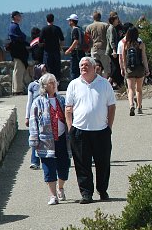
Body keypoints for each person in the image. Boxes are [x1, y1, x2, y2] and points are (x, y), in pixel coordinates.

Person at [65, 57, 116, 204]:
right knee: (82, 164)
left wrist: (109, 127)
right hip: (79, 131)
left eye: (87, 65)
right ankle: (86, 193)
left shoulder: (104, 84)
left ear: (95, 68)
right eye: (81, 65)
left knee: (103, 163)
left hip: (101, 131)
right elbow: (68, 108)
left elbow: (111, 106)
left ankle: (103, 190)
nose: (83, 68)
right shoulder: (73, 84)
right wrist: (71, 128)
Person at [28, 73, 70, 205]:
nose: (54, 84)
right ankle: (53, 195)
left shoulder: (62, 100)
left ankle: (61, 187)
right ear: (44, 86)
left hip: (62, 138)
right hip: (46, 140)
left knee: (64, 166)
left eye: (54, 82)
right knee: (48, 167)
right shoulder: (38, 102)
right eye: (51, 83)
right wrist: (34, 140)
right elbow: (33, 121)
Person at [118, 26, 150, 117]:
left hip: (129, 69)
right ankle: (139, 107)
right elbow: (144, 57)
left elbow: (124, 59)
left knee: (130, 89)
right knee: (139, 89)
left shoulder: (125, 44)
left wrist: (124, 69)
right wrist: (147, 69)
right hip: (140, 68)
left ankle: (131, 105)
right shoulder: (141, 44)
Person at [7, 11, 30, 95]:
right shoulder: (13, 26)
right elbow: (14, 37)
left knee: (17, 70)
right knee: (18, 71)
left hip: (17, 52)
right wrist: (23, 40)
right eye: (19, 15)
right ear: (15, 17)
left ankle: (15, 89)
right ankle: (18, 90)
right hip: (18, 52)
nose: (21, 17)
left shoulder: (14, 26)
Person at [25, 72, 43, 170]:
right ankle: (34, 161)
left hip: (46, 116)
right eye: (42, 70)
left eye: (45, 70)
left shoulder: (50, 82)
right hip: (34, 116)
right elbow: (29, 102)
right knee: (34, 138)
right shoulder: (33, 86)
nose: (43, 73)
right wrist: (27, 117)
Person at [39, 14, 64, 82]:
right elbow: (62, 40)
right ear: (53, 19)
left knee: (47, 68)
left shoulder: (44, 29)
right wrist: (60, 47)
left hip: (47, 52)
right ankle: (57, 83)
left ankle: (48, 83)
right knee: (56, 68)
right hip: (56, 51)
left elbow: (40, 41)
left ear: (46, 19)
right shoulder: (57, 28)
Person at [106, 12, 126, 90]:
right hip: (112, 51)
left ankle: (116, 82)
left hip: (114, 50)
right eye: (117, 19)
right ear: (113, 20)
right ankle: (109, 81)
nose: (118, 20)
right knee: (115, 67)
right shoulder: (111, 28)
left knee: (116, 67)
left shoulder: (114, 27)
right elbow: (112, 41)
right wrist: (114, 50)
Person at [64, 14, 84, 81]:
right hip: (81, 52)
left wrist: (69, 50)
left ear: (72, 21)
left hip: (76, 52)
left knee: (74, 70)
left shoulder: (75, 30)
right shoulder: (79, 29)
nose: (68, 22)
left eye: (69, 20)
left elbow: (76, 41)